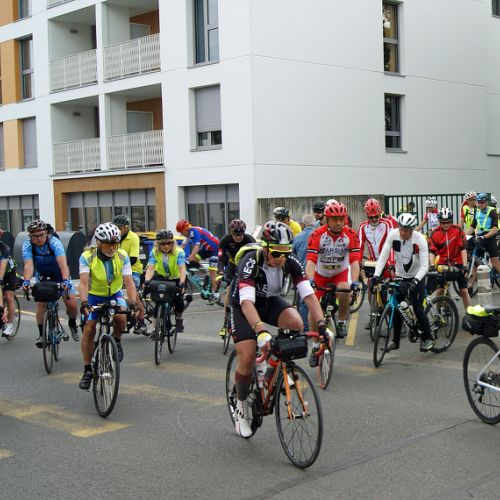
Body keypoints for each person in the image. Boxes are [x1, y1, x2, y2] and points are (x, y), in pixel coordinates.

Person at [230, 220, 330, 437]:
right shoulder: (251, 261)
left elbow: (308, 295)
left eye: (285, 253)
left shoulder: (290, 261)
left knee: (296, 323)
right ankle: (240, 406)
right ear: (265, 248)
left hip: (268, 302)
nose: (281, 258)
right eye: (276, 253)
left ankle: (273, 369)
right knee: (247, 356)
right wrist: (260, 330)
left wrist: (322, 324)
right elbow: (246, 303)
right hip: (244, 306)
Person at [78, 223, 138, 390]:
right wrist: (84, 302)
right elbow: (83, 284)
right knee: (89, 328)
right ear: (98, 242)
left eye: (115, 243)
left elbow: (129, 282)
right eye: (108, 244)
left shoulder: (122, 255)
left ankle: (117, 340)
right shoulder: (87, 257)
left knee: (121, 318)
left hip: (115, 295)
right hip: (93, 296)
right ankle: (87, 370)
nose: (112, 247)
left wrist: (132, 303)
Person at [371, 213, 434, 352]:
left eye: (406, 230)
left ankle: (428, 337)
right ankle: (395, 341)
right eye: (401, 229)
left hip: (417, 276)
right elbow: (383, 257)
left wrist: (415, 281)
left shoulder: (420, 240)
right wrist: (376, 275)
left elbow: (425, 266)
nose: (403, 233)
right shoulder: (393, 235)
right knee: (396, 307)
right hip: (400, 276)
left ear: (412, 229)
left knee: (417, 308)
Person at [305, 200, 361, 354]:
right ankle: (315, 346)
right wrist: (310, 280)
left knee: (345, 289)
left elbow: (354, 262)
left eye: (341, 219)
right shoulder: (317, 234)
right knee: (313, 309)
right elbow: (310, 261)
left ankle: (342, 321)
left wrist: (355, 282)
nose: (339, 223)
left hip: (339, 274)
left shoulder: (351, 234)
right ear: (327, 219)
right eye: (335, 219)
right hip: (320, 275)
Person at [22, 220, 79, 347]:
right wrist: (26, 281)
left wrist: (65, 280)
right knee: (41, 303)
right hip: (43, 276)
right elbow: (28, 265)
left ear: (46, 233)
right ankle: (41, 334)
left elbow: (63, 264)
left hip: (60, 275)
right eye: (35, 236)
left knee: (72, 304)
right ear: (30, 236)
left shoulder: (54, 242)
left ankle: (72, 322)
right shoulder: (28, 245)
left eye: (41, 235)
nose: (39, 239)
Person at [358, 198, 394, 330]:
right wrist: (358, 261)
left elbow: (392, 244)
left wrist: (391, 263)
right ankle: (373, 315)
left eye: (376, 216)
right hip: (372, 261)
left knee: (391, 287)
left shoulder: (387, 224)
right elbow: (359, 246)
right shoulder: (363, 227)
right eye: (370, 217)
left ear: (380, 214)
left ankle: (395, 316)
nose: (374, 219)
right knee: (370, 287)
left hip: (387, 260)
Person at [216, 219, 255, 338]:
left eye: (241, 234)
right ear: (231, 233)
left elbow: (256, 257)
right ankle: (225, 323)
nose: (238, 237)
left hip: (246, 265)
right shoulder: (225, 240)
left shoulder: (249, 240)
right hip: (233, 265)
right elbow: (221, 258)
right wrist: (220, 271)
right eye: (236, 235)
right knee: (229, 289)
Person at [144, 229, 187, 333]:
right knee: (157, 299)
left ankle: (179, 319)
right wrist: (147, 281)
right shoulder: (154, 252)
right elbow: (150, 269)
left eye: (169, 243)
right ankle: (156, 326)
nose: (166, 246)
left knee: (178, 300)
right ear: (158, 244)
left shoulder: (179, 252)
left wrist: (181, 283)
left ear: (173, 243)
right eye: (163, 244)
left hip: (176, 278)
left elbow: (182, 269)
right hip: (161, 277)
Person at [428, 208, 470, 309]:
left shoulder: (458, 230)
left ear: (451, 221)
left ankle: (469, 313)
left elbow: (463, 249)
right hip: (442, 264)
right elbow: (432, 252)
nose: (446, 225)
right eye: (443, 222)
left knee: (464, 291)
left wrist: (465, 266)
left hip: (458, 263)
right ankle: (439, 314)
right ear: (439, 221)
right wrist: (432, 265)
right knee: (439, 291)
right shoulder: (435, 233)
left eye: (448, 222)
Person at [112, 214, 146, 335]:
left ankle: (141, 321)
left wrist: (121, 269)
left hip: (133, 269)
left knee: (134, 296)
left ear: (126, 228)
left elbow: (133, 259)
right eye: (116, 228)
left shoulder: (133, 238)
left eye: (120, 228)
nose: (117, 231)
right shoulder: (113, 237)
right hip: (117, 269)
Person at [176, 219, 220, 298]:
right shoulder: (189, 233)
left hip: (214, 249)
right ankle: (205, 275)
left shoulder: (195, 232)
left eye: (182, 232)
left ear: (186, 229)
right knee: (194, 260)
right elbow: (182, 246)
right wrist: (175, 256)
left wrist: (189, 258)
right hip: (205, 249)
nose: (181, 234)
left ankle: (215, 293)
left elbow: (196, 247)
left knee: (212, 271)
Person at [467, 192, 500, 283]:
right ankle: (470, 285)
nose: (480, 204)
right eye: (479, 202)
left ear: (486, 202)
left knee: (495, 263)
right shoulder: (477, 212)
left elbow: (495, 229)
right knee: (475, 262)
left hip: (490, 238)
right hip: (480, 238)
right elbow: (472, 226)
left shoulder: (492, 211)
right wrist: (464, 236)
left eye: (482, 202)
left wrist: (484, 237)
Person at [292, 214, 316, 330]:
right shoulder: (319, 235)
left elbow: (293, 255)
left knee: (303, 301)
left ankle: (306, 328)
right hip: (318, 272)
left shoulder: (297, 237)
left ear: (303, 224)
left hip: (302, 273)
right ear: (314, 223)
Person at [0, 232, 17, 338]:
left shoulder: (4, 248)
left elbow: (2, 267)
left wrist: (0, 280)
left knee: (8, 296)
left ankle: (10, 325)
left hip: (8, 272)